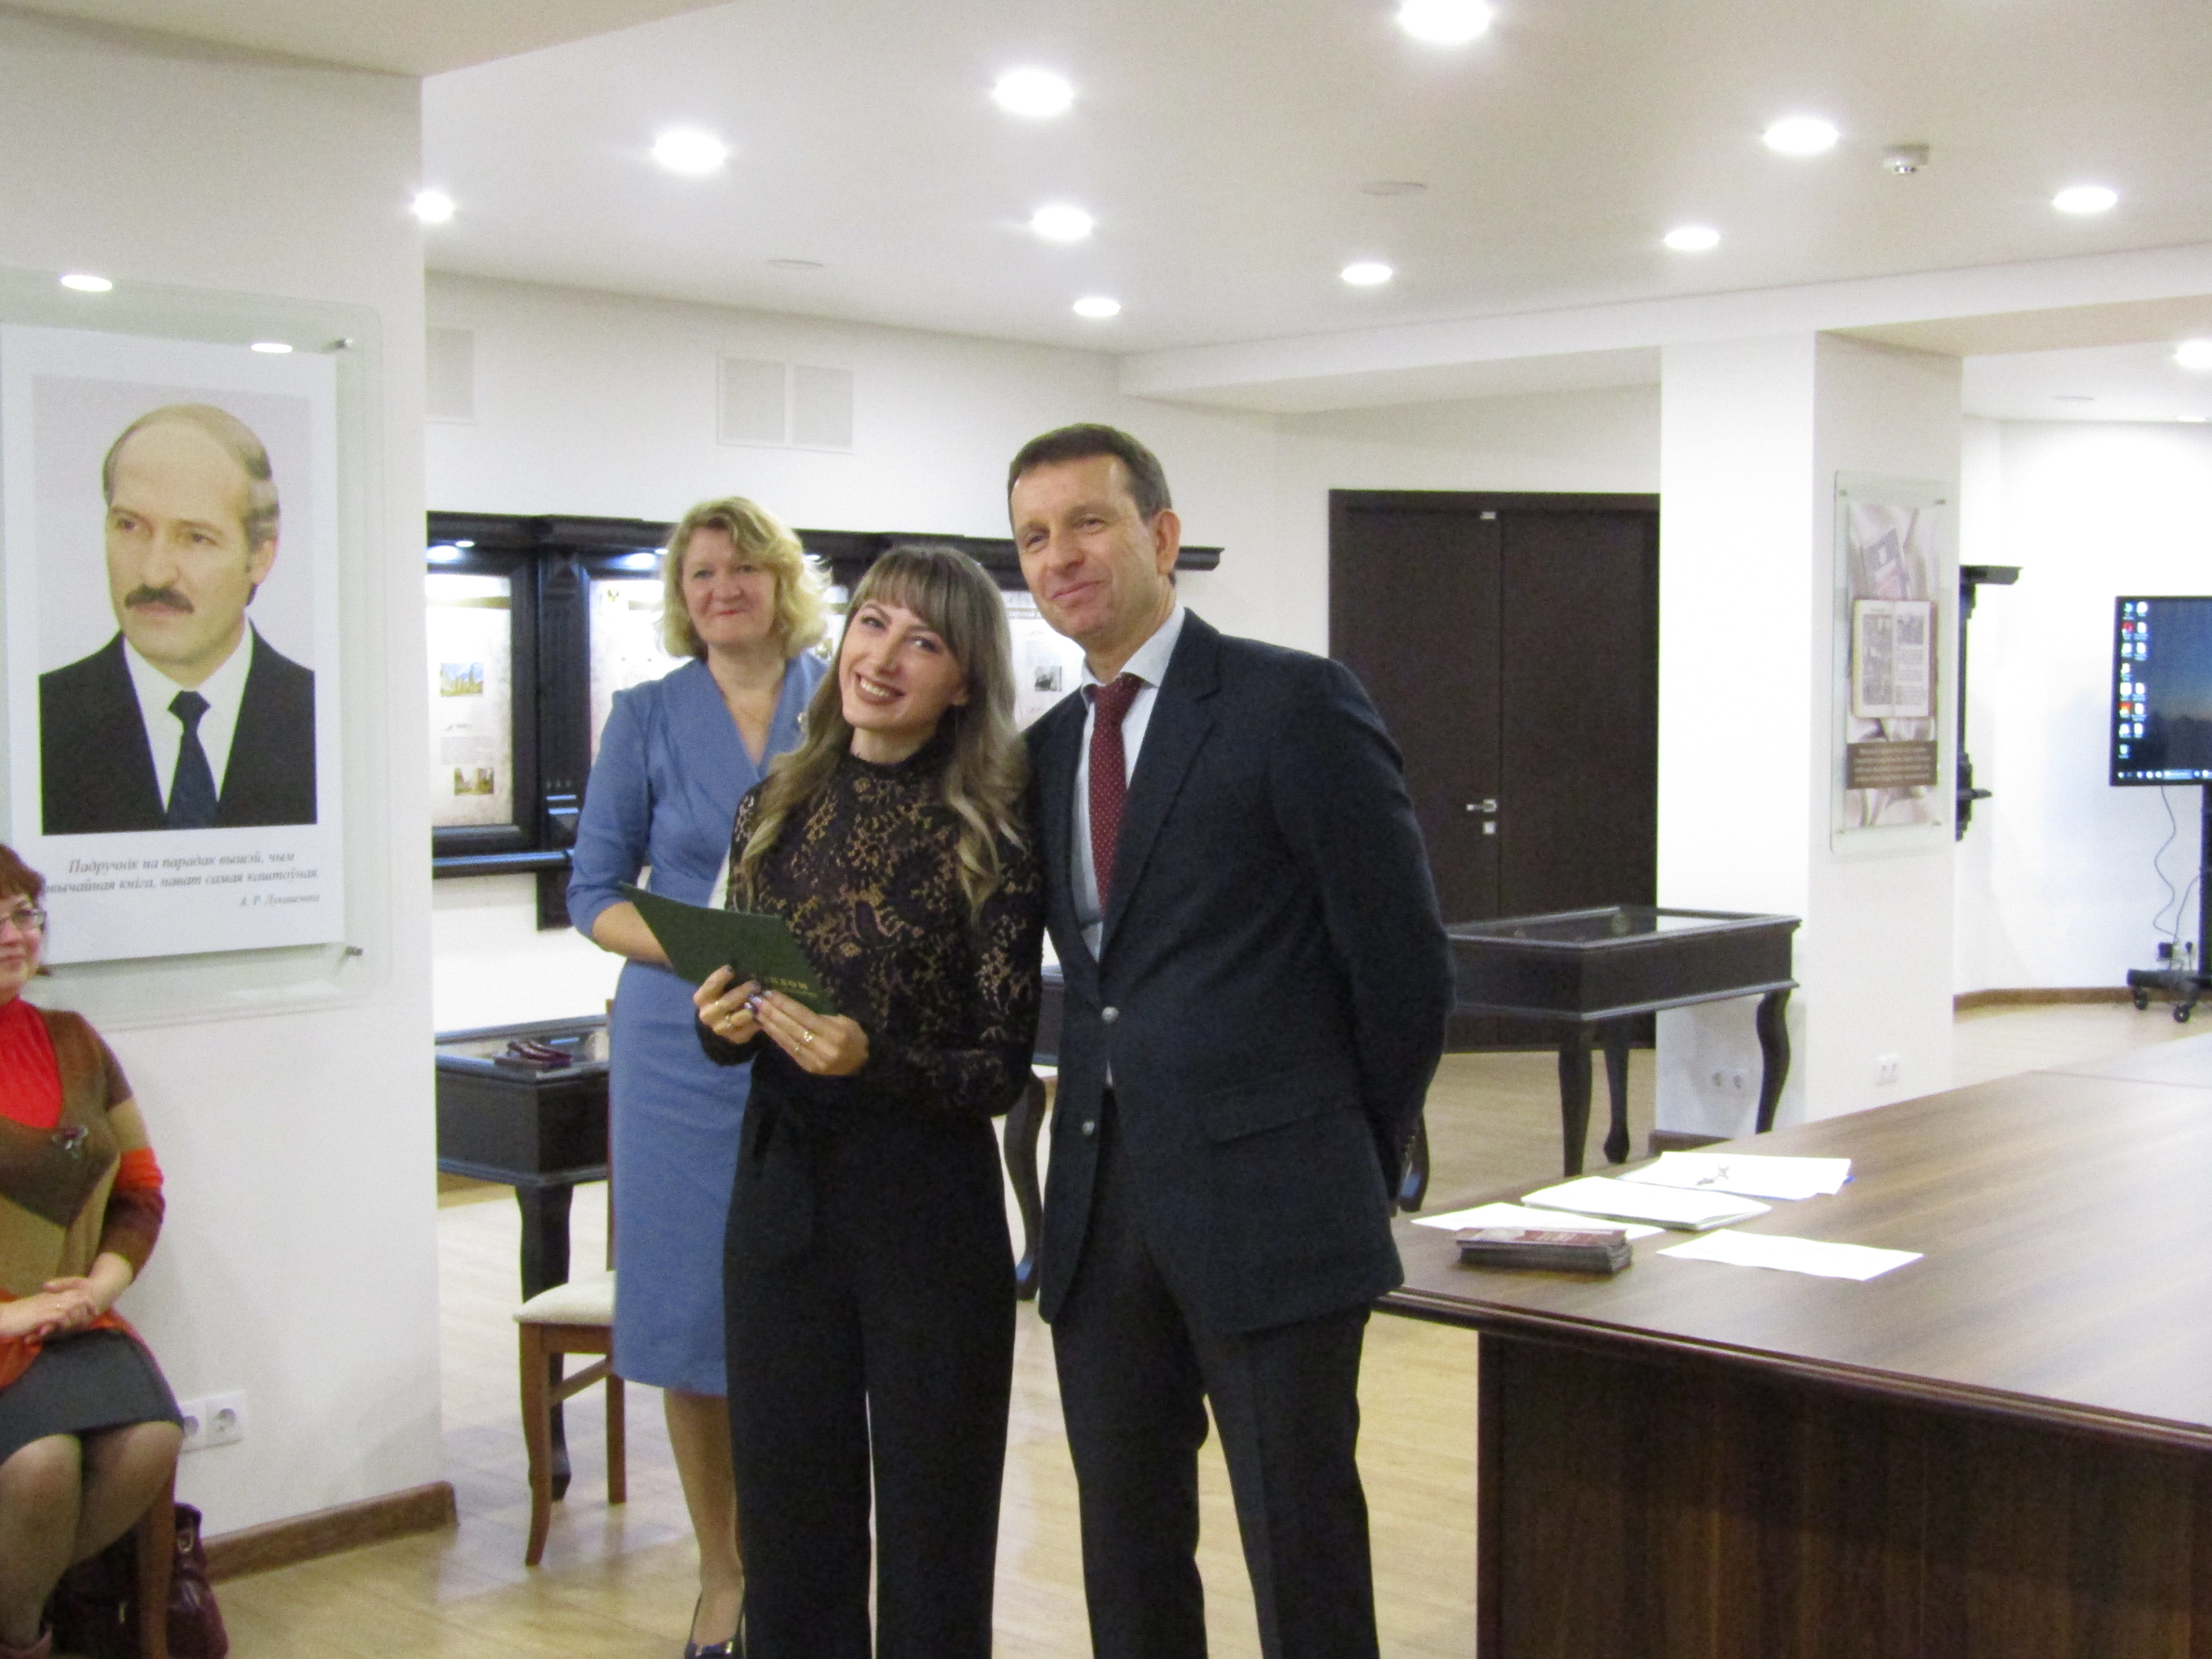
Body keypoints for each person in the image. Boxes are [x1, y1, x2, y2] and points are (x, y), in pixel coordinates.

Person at [1008, 424, 1453, 1659]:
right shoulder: (1045, 754)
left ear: (1161, 537)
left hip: (1276, 1207)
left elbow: (1406, 969)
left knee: (1302, 1551)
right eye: (1034, 537)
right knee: (1128, 1558)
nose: (1060, 557)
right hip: (1099, 1215)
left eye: (1087, 523)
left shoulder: (1292, 704)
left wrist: (1345, 1152)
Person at [692, 544, 1042, 1659]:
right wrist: (719, 1023)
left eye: (922, 642)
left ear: (964, 682)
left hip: (926, 1214)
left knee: (938, 1534)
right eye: (873, 624)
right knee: (790, 1524)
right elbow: (741, 1022)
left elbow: (1000, 1067)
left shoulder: (991, 829)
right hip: (781, 1201)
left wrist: (871, 1060)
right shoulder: (772, 804)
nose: (882, 658)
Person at [568, 497, 828, 1658]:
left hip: (818, 1040)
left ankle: (808, 1565)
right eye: (700, 573)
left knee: (814, 1311)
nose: (722, 590)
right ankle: (724, 1574)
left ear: (781, 580)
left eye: (743, 569)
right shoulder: (645, 717)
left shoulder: (841, 697)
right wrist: (712, 954)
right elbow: (593, 895)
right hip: (679, 1049)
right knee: (690, 1314)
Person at [0, 844, 184, 1659]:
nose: (14, 936)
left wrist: (97, 1289)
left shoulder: (74, 1039)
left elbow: (140, 1188)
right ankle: (25, 1636)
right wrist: (12, 1316)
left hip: (72, 1322)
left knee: (152, 1437)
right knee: (41, 1463)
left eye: (23, 915)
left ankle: (22, 1598)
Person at [39, 403, 316, 835]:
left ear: (260, 556)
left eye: (196, 538)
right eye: (130, 526)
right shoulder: (43, 719)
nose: (154, 574)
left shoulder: (319, 715)